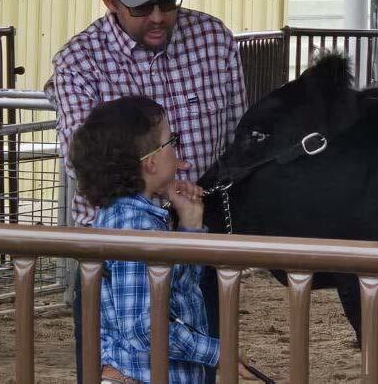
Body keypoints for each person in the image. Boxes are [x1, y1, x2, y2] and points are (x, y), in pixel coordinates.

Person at [44, 0, 246, 382]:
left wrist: (191, 220)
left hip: (194, 234)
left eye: (167, 2)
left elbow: (234, 135)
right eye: (141, 7)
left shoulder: (214, 39)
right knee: (129, 357)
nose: (158, 17)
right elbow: (83, 162)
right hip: (118, 247)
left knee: (191, 363)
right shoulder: (79, 61)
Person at [70, 97, 255, 383]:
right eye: (172, 141)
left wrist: (190, 223)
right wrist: (216, 352)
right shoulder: (133, 227)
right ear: (151, 162)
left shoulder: (136, 217)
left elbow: (180, 288)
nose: (178, 151)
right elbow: (143, 328)